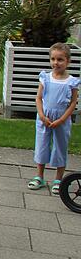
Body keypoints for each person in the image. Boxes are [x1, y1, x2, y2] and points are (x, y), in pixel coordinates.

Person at [28, 43, 79, 194]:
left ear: (68, 61)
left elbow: (73, 103)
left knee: (60, 147)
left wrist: (62, 119)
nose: (56, 63)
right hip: (45, 119)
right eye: (53, 59)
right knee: (42, 145)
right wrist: (42, 115)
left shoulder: (71, 82)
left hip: (61, 120)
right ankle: (39, 176)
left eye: (60, 59)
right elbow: (38, 98)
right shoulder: (45, 78)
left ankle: (58, 179)